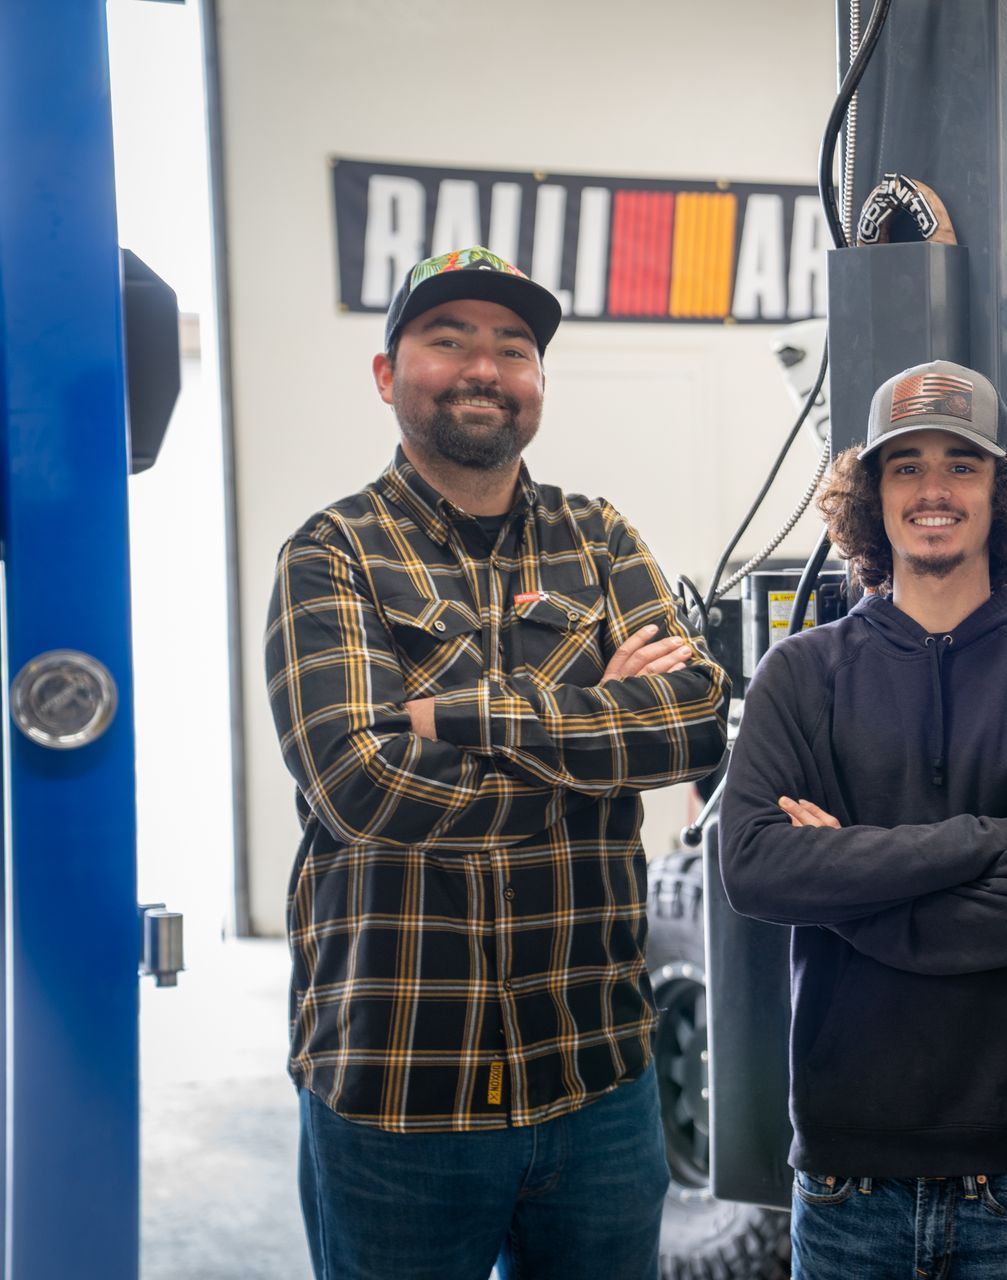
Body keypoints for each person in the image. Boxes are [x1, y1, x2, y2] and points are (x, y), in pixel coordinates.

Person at [264, 245, 728, 1279]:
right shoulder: (329, 554)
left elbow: (697, 720)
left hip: (596, 1076)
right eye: (448, 338)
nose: (484, 366)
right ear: (388, 375)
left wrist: (464, 718)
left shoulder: (599, 536)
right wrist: (602, 724)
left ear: (539, 384)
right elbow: (365, 784)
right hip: (399, 1084)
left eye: (513, 346)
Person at [719, 360, 1007, 1279]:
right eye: (905, 467)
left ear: (1005, 491)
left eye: (962, 464)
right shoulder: (801, 673)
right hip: (845, 1175)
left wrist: (847, 885)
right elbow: (752, 867)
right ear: (871, 495)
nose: (933, 489)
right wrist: (983, 842)